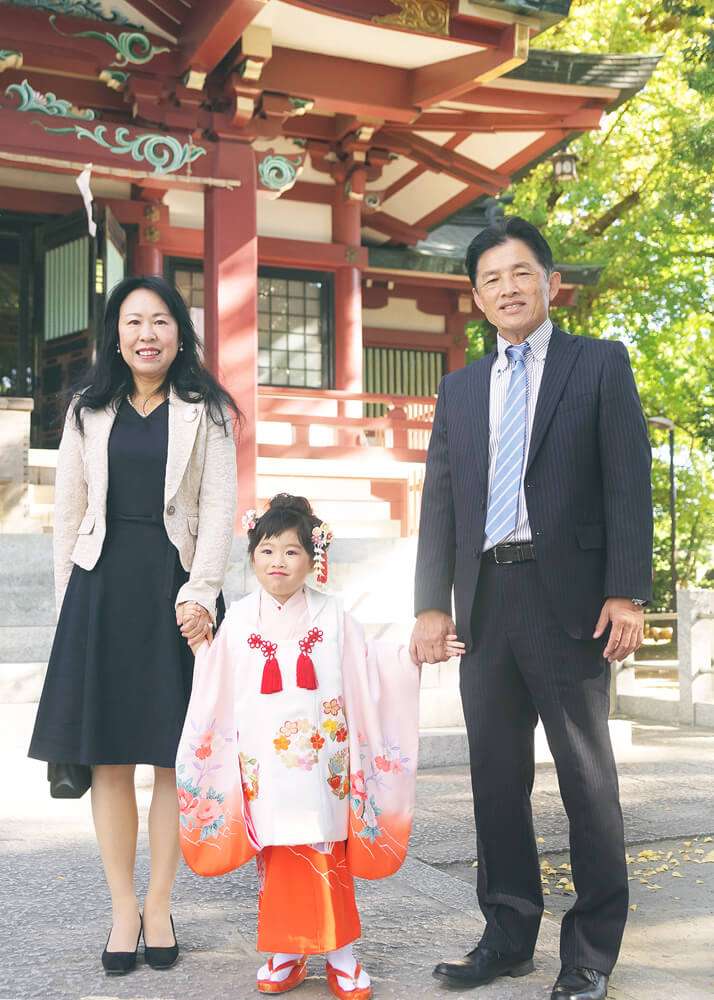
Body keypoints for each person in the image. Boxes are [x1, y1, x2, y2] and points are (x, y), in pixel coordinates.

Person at [411, 217, 652, 1000]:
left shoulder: (599, 364)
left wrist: (628, 590)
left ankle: (589, 952)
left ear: (550, 283)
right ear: (476, 298)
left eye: (521, 273)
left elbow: (627, 480)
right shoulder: (460, 388)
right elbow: (440, 503)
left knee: (587, 780)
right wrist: (430, 607)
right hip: (487, 599)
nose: (507, 288)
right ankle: (509, 933)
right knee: (495, 777)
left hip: (572, 600)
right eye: (491, 279)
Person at [29, 275, 239, 975]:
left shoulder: (205, 409)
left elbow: (218, 509)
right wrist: (69, 610)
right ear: (115, 336)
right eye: (133, 322)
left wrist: (202, 592)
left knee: (173, 758)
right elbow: (67, 513)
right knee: (110, 756)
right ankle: (123, 907)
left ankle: (159, 903)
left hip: (173, 590)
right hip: (101, 587)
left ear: (180, 333)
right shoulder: (89, 409)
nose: (147, 334)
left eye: (160, 321)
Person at [176, 494, 434, 998]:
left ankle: (341, 953)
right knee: (277, 850)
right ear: (252, 554)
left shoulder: (334, 614)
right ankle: (287, 951)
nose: (278, 562)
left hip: (324, 766)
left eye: (292, 552)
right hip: (264, 763)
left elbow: (374, 666)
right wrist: (203, 650)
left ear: (313, 558)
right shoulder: (241, 620)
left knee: (323, 845)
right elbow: (216, 684)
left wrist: (414, 655)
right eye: (267, 550)